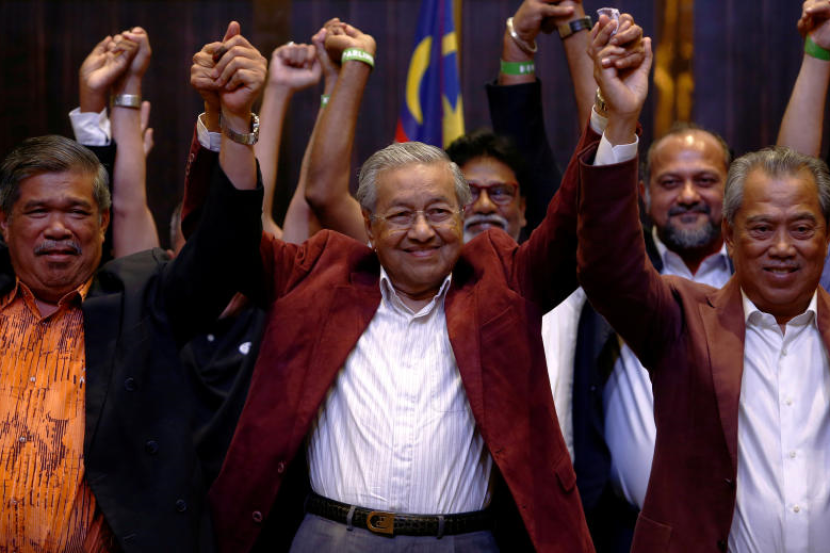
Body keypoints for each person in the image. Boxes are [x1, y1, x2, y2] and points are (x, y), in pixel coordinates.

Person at [207, 134, 594, 551]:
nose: (423, 231)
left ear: (461, 216)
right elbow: (223, 242)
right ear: (369, 224)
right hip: (333, 538)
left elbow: (572, 228)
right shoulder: (314, 279)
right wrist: (228, 125)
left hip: (462, 541)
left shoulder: (502, 284)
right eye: (401, 215)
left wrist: (610, 121)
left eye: (439, 212)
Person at [0, 22, 264, 552]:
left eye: (78, 212)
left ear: (103, 224)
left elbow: (224, 248)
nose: (59, 228)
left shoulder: (141, 302)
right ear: (4, 225)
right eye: (38, 211)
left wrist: (233, 123)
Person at [579, 13, 830, 553]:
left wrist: (818, 53)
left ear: (826, 237)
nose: (782, 247)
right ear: (731, 236)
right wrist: (619, 121)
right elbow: (609, 267)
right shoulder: (684, 319)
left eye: (802, 229)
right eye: (760, 229)